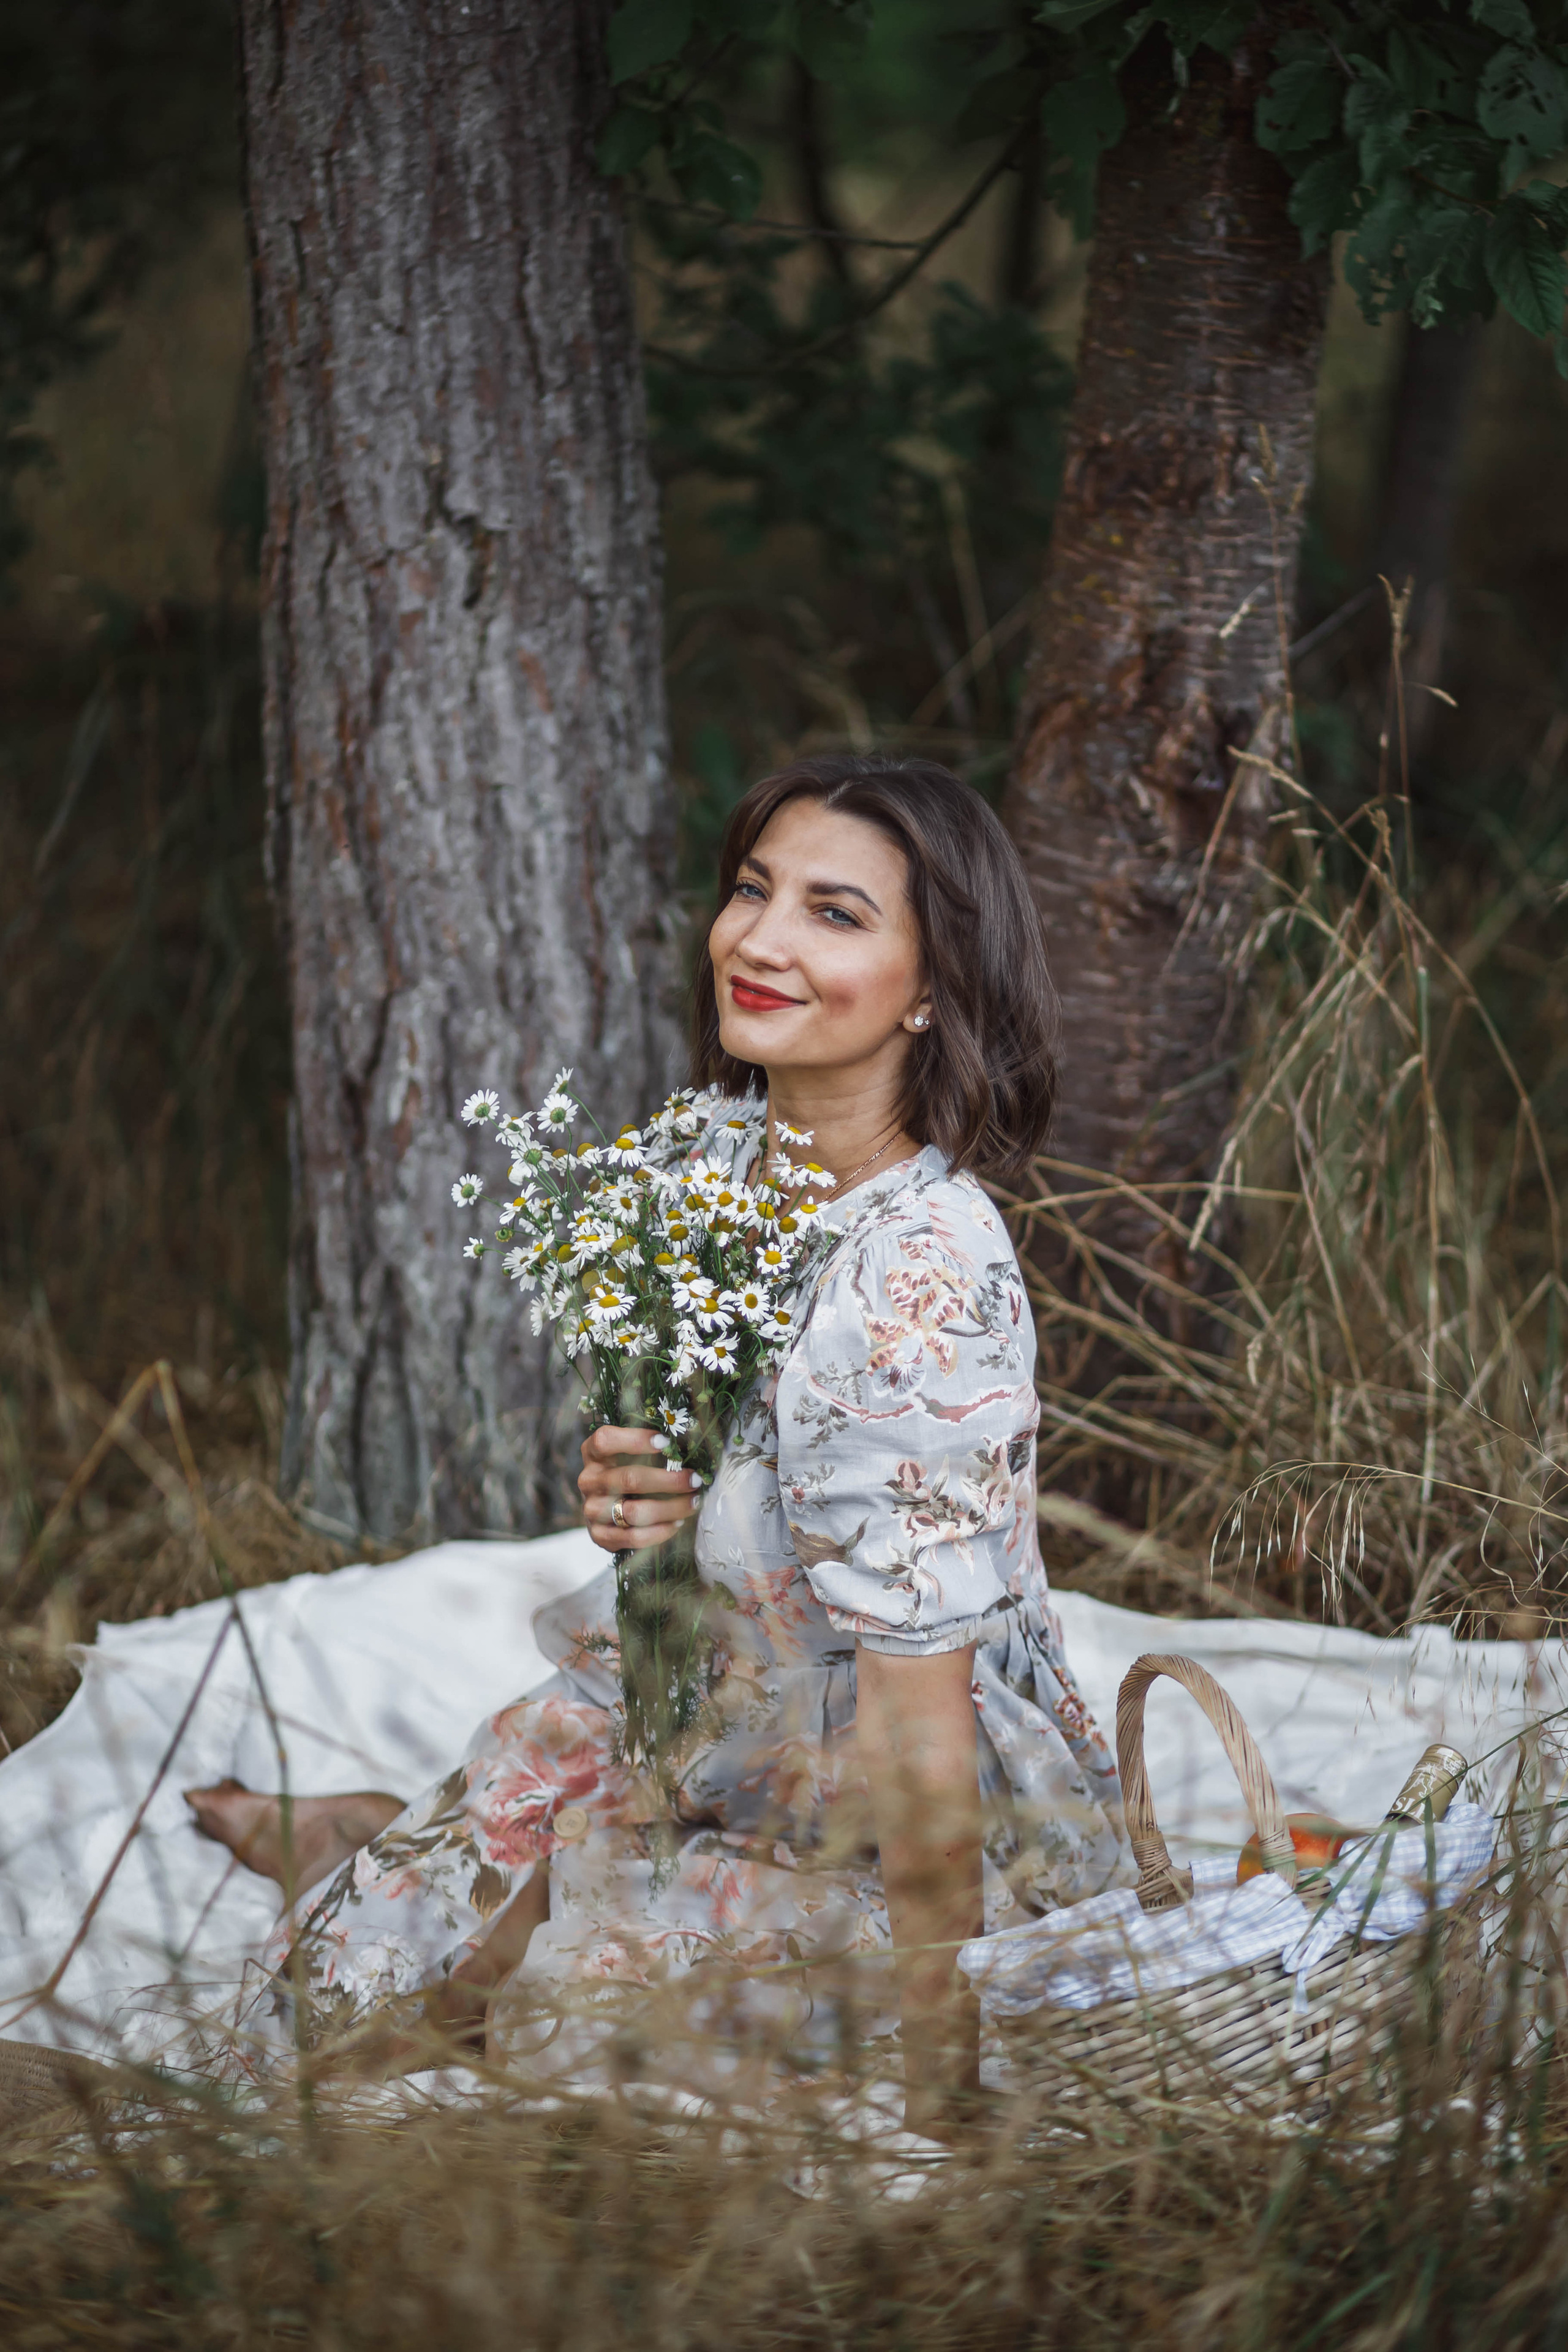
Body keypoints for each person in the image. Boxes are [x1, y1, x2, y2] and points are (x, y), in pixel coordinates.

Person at [187, 753, 1124, 2136]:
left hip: (864, 1794)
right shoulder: (705, 1156)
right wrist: (636, 1495)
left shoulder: (922, 1283)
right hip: (690, 1709)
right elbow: (704, 1474)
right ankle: (359, 1846)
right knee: (339, 2006)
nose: (759, 939)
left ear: (932, 990)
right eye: (752, 890)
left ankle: (415, 1866)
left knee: (590, 2065)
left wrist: (944, 2103)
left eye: (834, 914)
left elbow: (923, 1732)